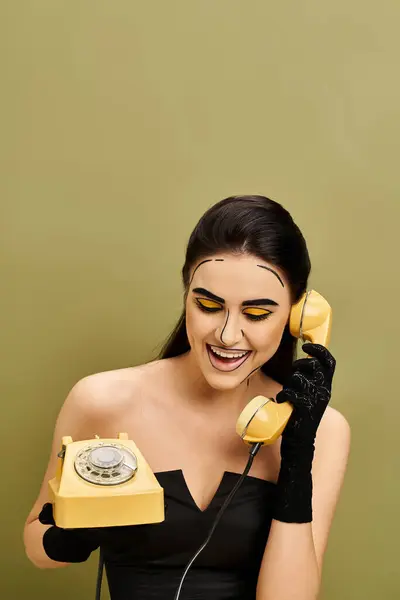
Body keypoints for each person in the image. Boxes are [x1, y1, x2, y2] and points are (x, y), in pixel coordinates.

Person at [23, 195, 350, 600]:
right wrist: (71, 535)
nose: (228, 335)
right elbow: (37, 544)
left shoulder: (326, 431)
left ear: (297, 316)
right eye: (208, 305)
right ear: (186, 295)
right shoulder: (101, 401)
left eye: (257, 314)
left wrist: (297, 459)